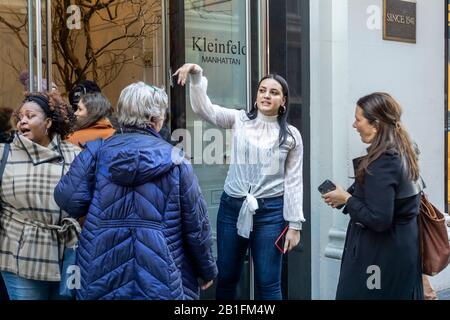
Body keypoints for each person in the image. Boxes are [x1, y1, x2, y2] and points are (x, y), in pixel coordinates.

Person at [54, 82, 218, 300]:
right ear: (155, 119)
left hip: (101, 268)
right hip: (160, 272)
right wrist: (206, 270)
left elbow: (67, 200)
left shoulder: (96, 152)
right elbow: (197, 226)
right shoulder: (177, 160)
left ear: (122, 114)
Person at [174, 63, 305, 300]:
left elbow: (294, 181)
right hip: (232, 208)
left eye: (274, 92)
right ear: (256, 96)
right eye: (262, 90)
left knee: (268, 282)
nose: (266, 95)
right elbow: (206, 110)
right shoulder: (239, 120)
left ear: (283, 101)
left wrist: (295, 225)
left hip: (271, 213)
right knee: (227, 276)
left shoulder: (292, 135)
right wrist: (196, 77)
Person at [322, 92, 423, 300]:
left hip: (378, 259)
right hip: (400, 253)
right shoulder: (404, 150)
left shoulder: (383, 161)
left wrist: (347, 199)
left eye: (358, 120)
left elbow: (379, 219)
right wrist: (346, 197)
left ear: (376, 124)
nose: (354, 125)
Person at [0, 92, 80, 300]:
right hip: (19, 256)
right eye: (21, 117)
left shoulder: (74, 154)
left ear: (48, 122)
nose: (23, 121)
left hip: (67, 255)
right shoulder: (4, 154)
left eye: (30, 116)